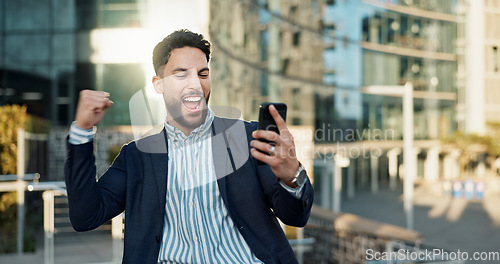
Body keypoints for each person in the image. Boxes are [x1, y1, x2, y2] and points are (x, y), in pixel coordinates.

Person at [64, 29, 313, 264]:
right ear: (158, 84)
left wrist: (292, 177)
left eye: (203, 74)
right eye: (181, 74)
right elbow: (86, 216)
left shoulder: (246, 137)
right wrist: (82, 133)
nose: (195, 84)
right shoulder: (136, 157)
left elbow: (296, 217)